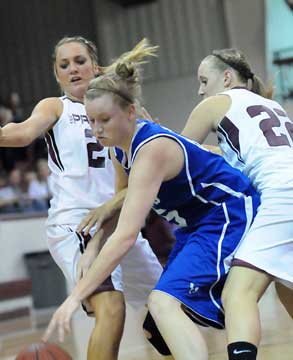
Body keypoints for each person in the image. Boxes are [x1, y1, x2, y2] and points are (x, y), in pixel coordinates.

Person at [42, 44, 260, 360]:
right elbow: (120, 203)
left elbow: (127, 234)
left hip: (227, 212)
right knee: (156, 324)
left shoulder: (150, 150)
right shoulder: (118, 147)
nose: (97, 129)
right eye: (91, 121)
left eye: (105, 119)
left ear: (131, 113)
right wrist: (93, 245)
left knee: (162, 303)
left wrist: (74, 297)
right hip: (195, 225)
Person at [0, 36, 163, 360]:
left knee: (167, 307)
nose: (73, 69)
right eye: (64, 65)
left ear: (96, 66)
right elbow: (21, 133)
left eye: (79, 61)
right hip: (77, 224)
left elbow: (157, 154)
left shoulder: (124, 111)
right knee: (111, 307)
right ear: (56, 74)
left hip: (120, 222)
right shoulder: (55, 107)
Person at [181, 48, 293, 360]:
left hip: (282, 195)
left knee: (237, 293)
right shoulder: (273, 106)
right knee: (287, 289)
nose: (201, 89)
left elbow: (178, 157)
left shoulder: (215, 103)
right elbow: (238, 158)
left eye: (204, 80)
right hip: (286, 190)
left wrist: (150, 133)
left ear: (227, 78)